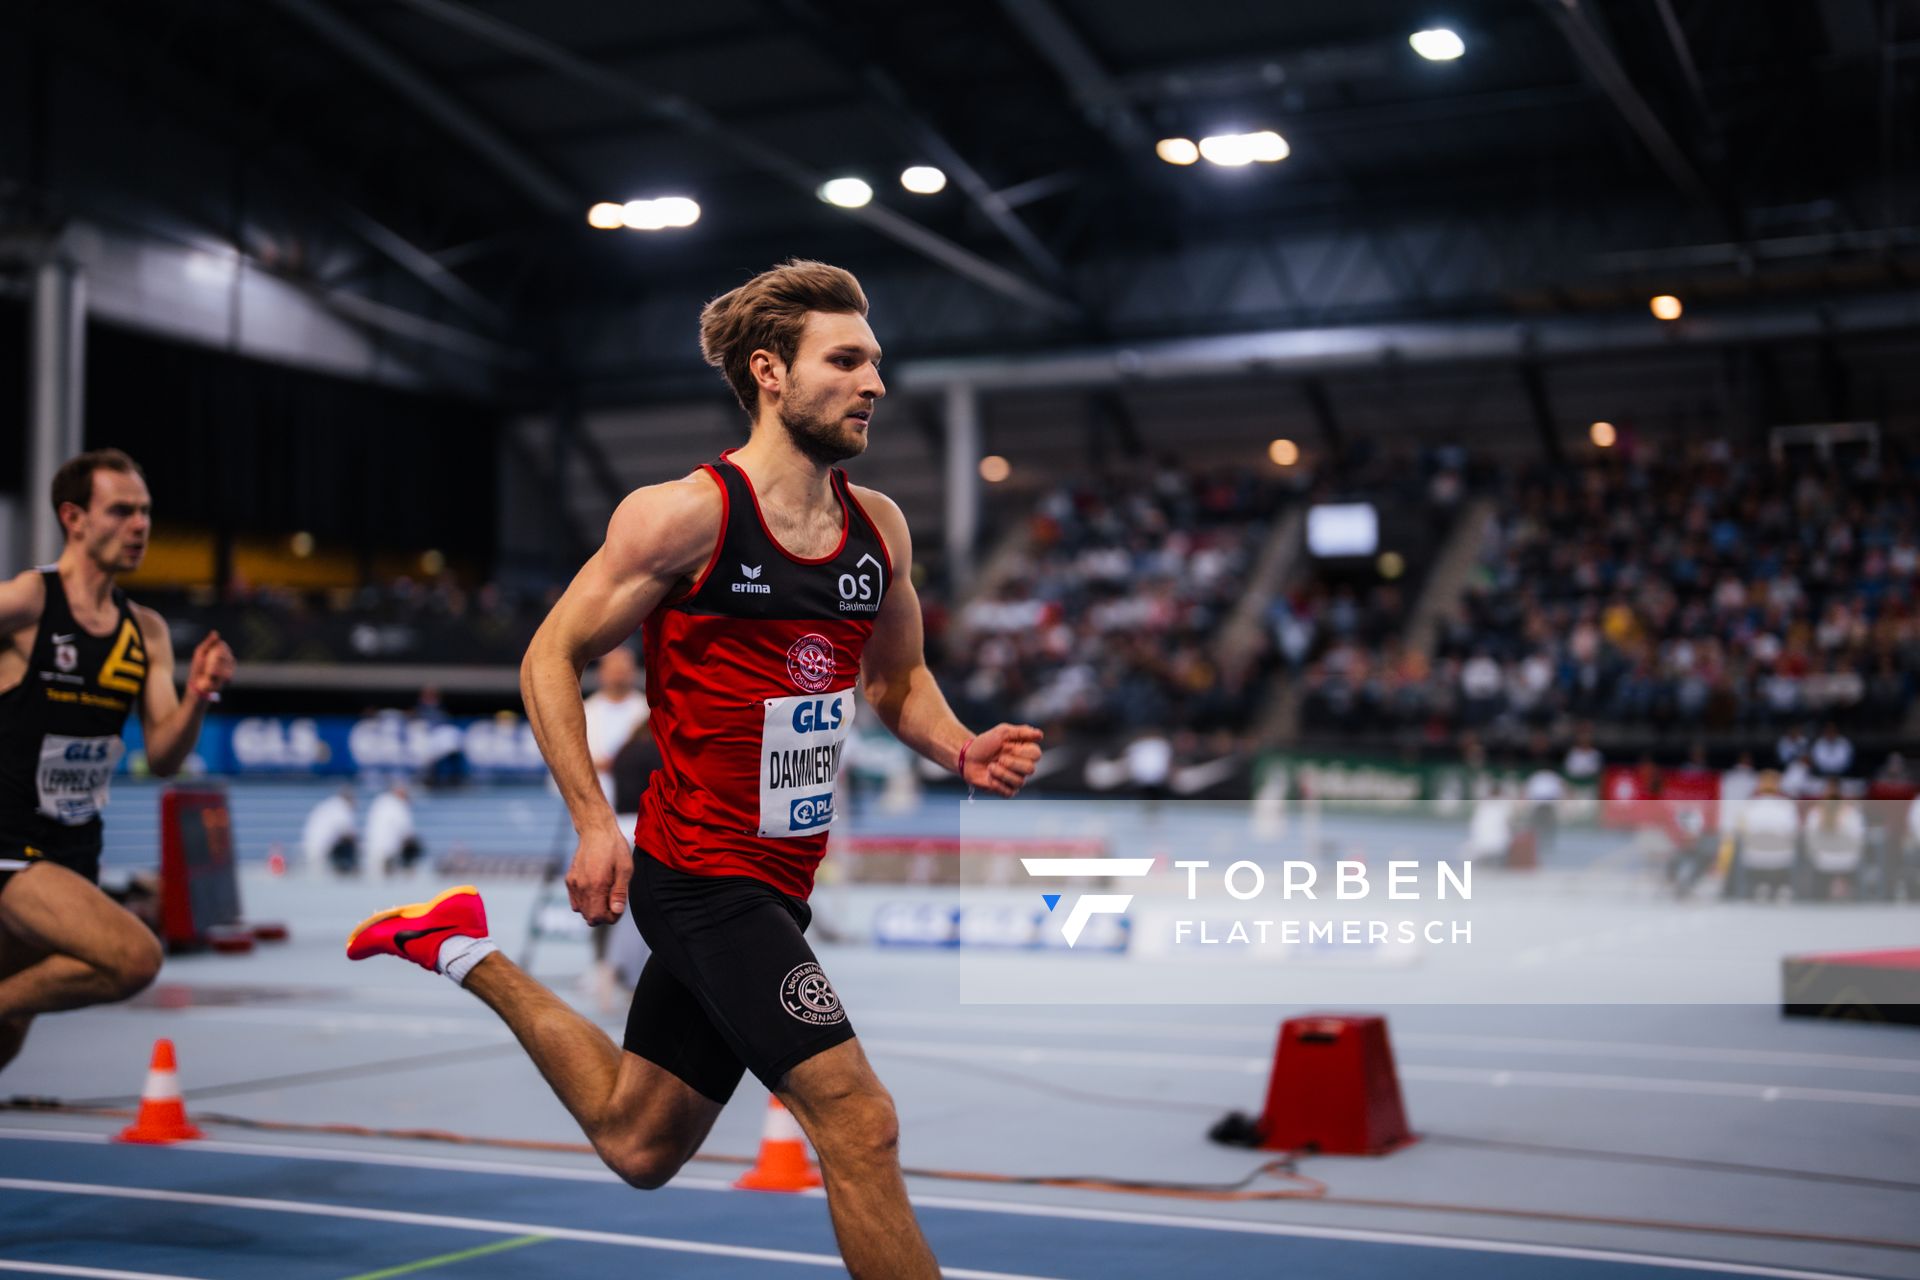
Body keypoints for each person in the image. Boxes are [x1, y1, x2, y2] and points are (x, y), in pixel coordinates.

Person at [349, 261, 1042, 1280]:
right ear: (770, 371)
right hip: (702, 879)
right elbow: (550, 653)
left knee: (641, 1140)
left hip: (781, 883)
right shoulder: (685, 516)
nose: (875, 383)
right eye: (845, 360)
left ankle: (460, 949)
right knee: (859, 1118)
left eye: (876, 361)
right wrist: (594, 822)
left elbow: (898, 682)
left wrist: (960, 743)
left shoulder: (878, 529)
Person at [0, 448, 235, 1072]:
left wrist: (199, 696)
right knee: (135, 957)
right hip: (8, 848)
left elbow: (162, 756)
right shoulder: (28, 602)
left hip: (73, 853)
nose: (140, 526)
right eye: (122, 511)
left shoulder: (146, 633)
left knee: (7, 1035)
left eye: (146, 513)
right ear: (73, 518)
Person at [583, 646, 649, 807]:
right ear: (601, 673)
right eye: (613, 671)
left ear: (633, 672)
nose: (618, 676)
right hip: (595, 800)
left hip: (639, 802)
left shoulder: (647, 711)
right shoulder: (584, 711)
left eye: (623, 671)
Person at [365, 781, 422, 876]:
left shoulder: (380, 801)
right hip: (389, 848)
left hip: (373, 844)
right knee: (413, 845)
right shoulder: (399, 806)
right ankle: (408, 871)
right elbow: (406, 832)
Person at [301, 785, 359, 875]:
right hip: (322, 848)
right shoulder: (342, 807)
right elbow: (349, 835)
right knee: (349, 845)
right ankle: (346, 872)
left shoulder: (329, 804)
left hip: (309, 843)